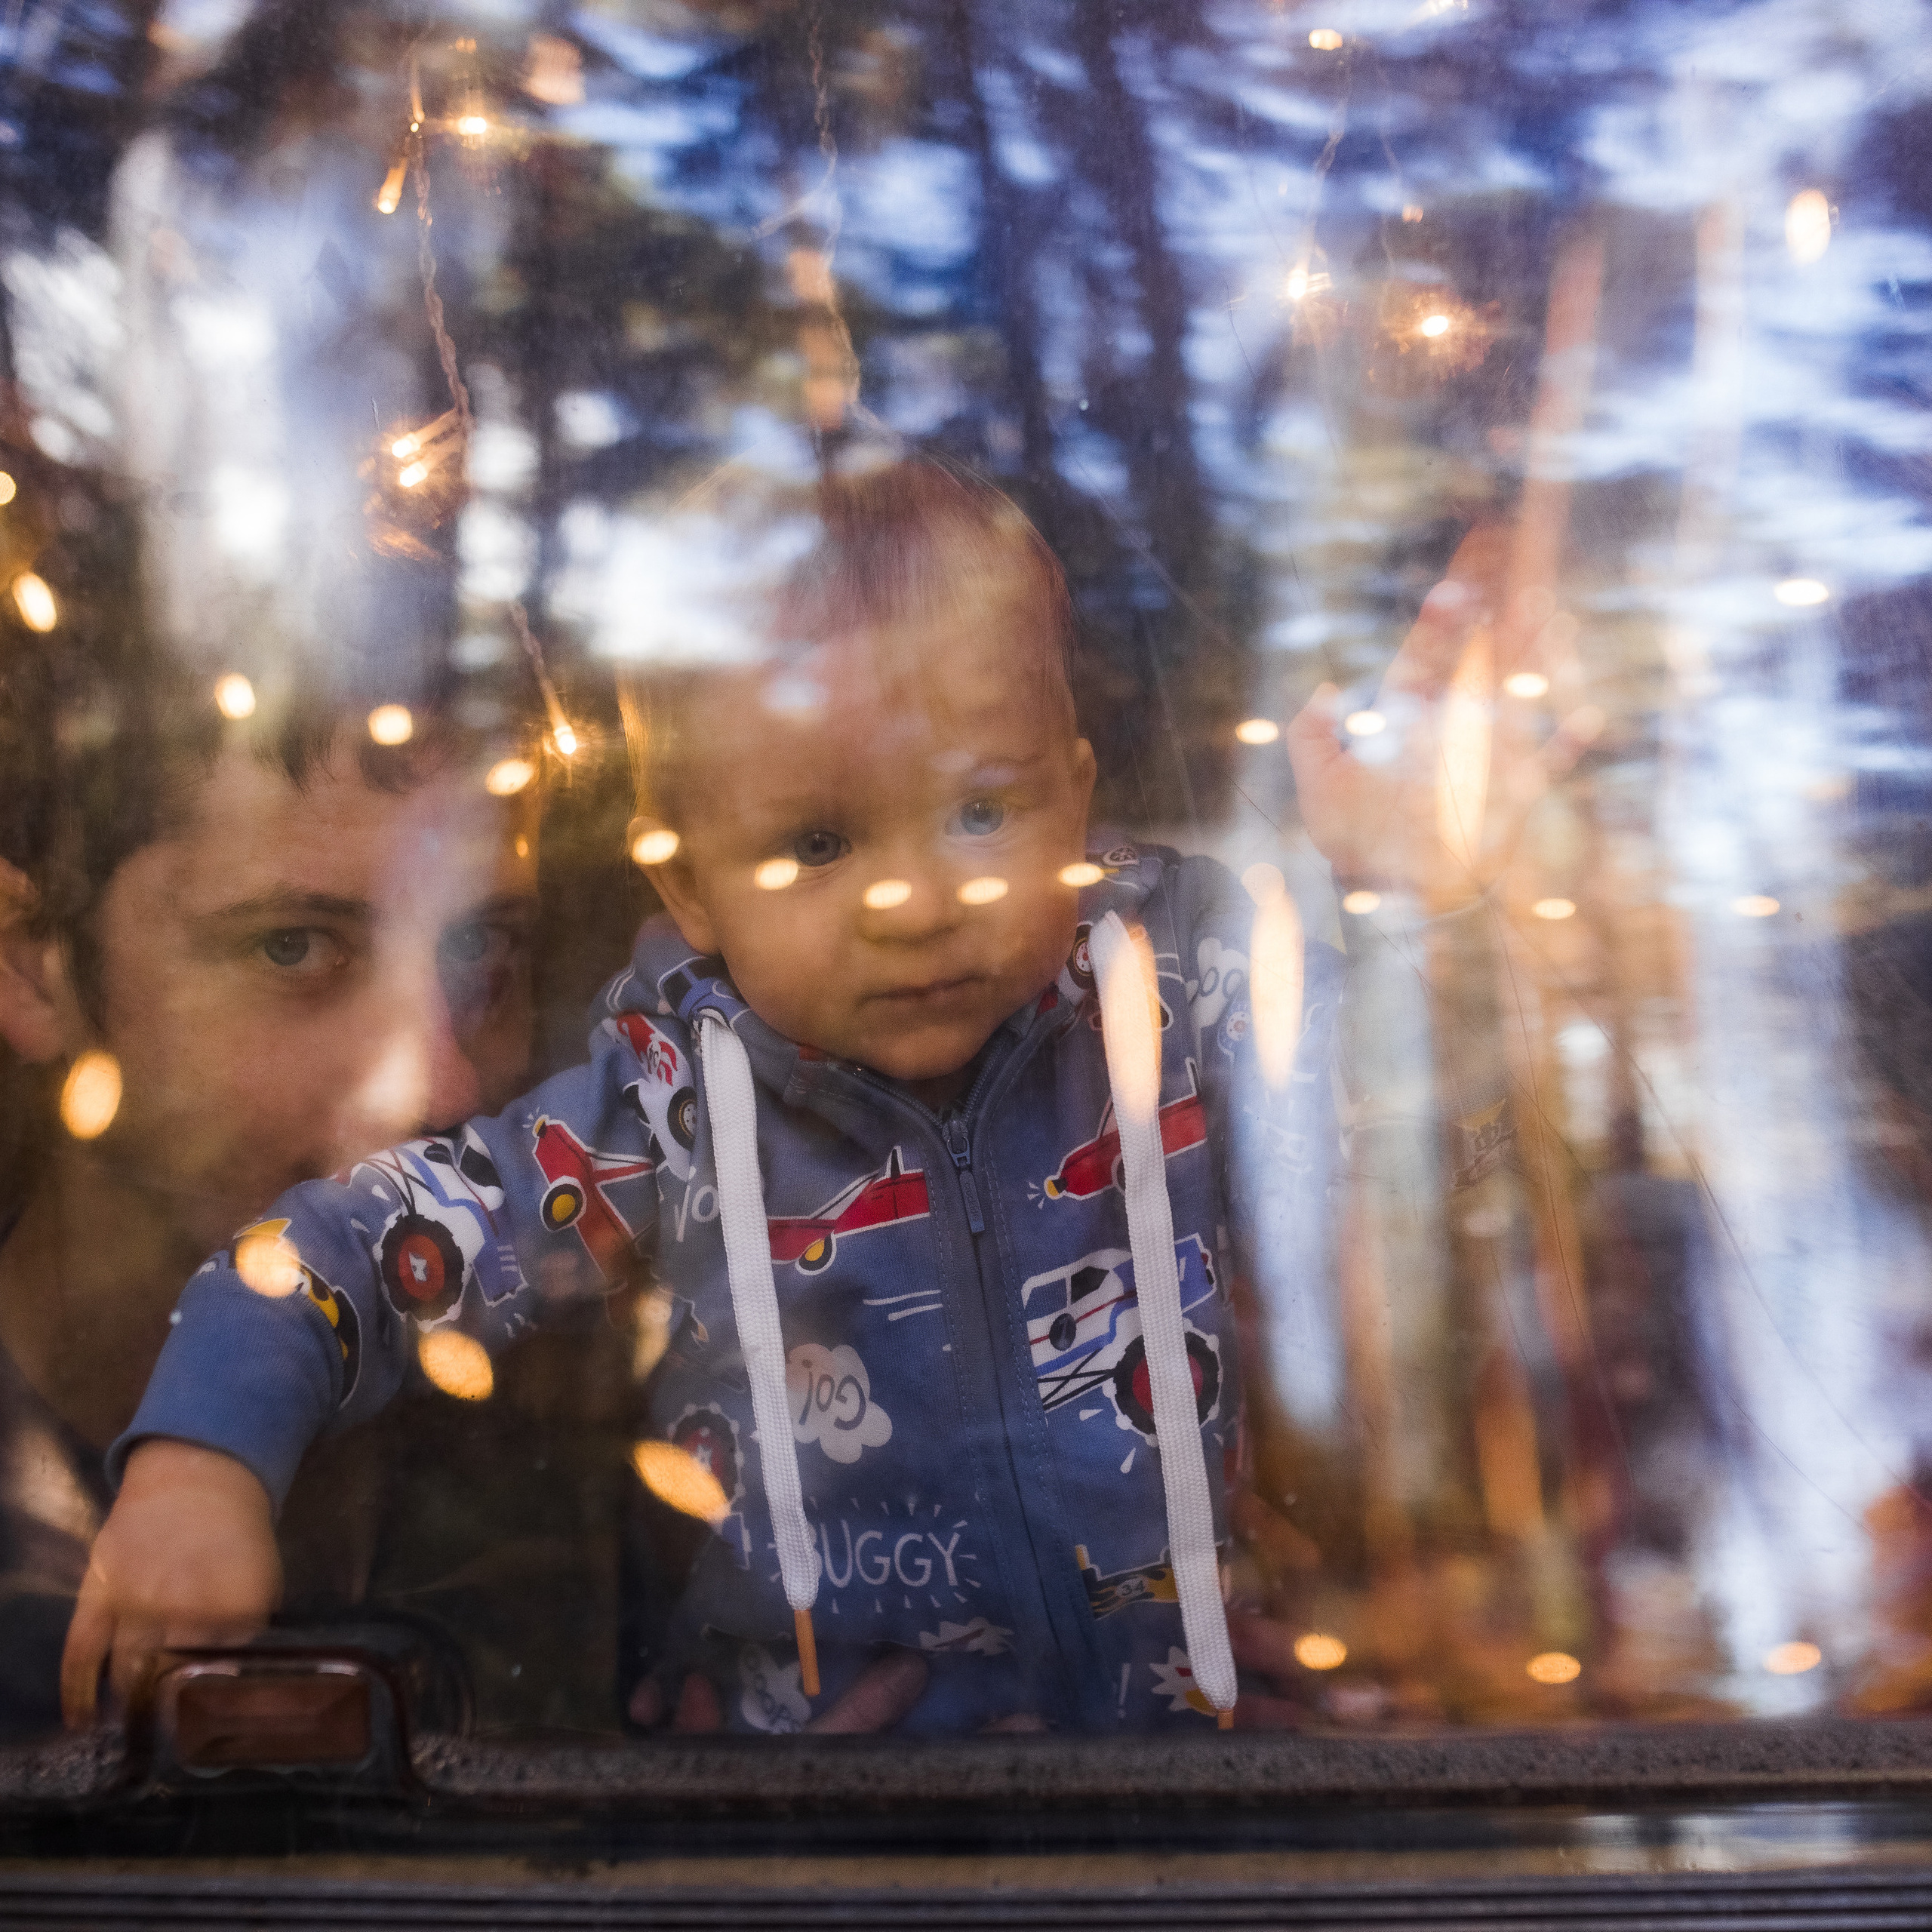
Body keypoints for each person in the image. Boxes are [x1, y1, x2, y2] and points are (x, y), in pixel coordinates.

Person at [63, 458, 1531, 1734]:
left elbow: (1433, 1150)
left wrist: (1429, 906)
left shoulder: (1185, 1013)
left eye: (978, 808)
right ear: (688, 884)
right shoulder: (661, 1118)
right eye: (818, 841)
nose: (911, 900)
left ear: (1075, 798)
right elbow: (344, 1252)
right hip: (811, 1812)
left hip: (1207, 1767)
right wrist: (202, 1458)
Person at [0, 482, 545, 1737]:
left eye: (483, 957)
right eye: (294, 950)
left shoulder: (603, 1457)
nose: (440, 1086)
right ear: (32, 960)